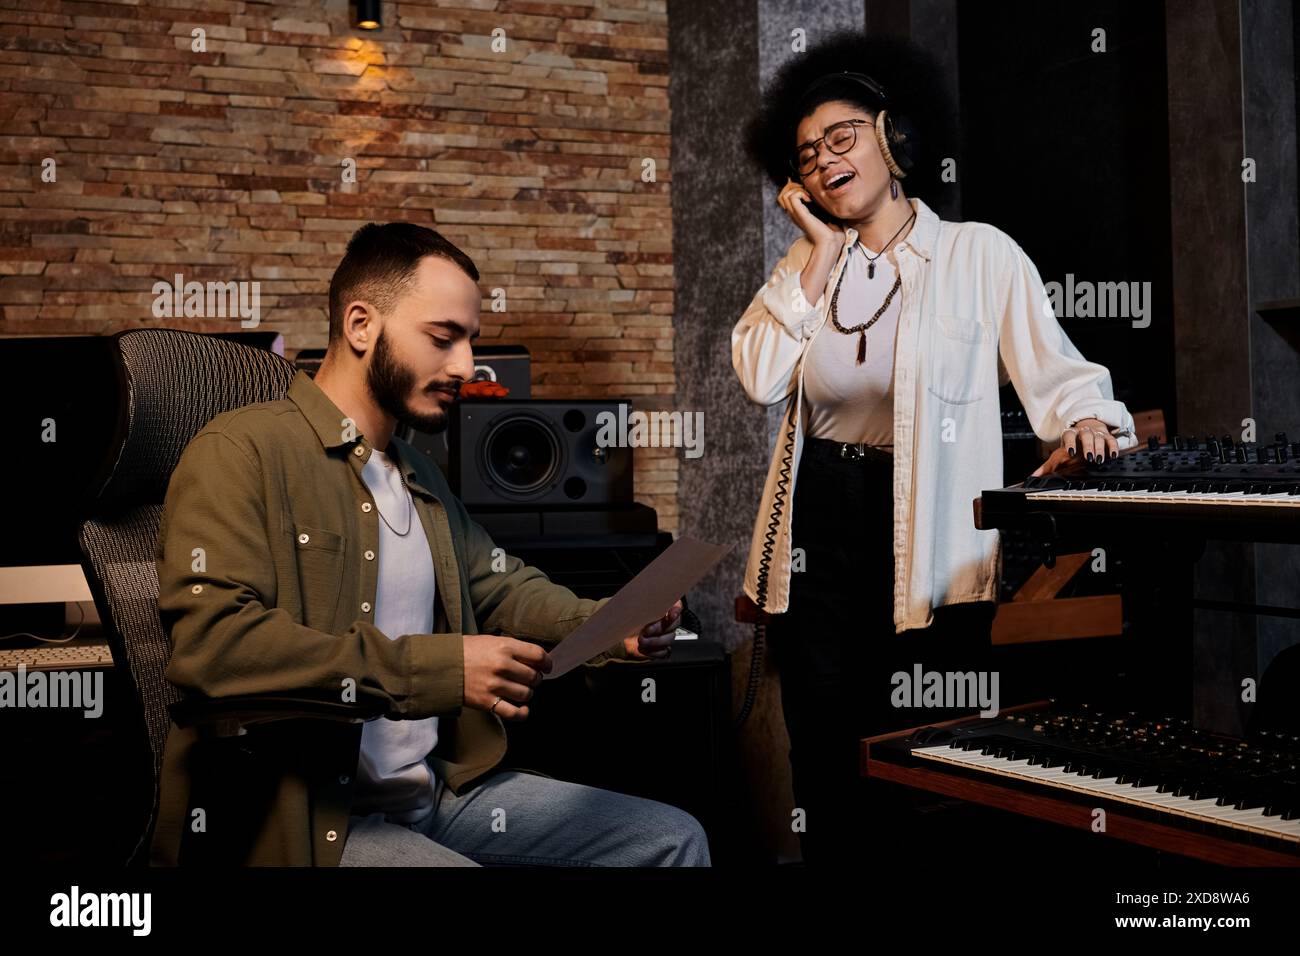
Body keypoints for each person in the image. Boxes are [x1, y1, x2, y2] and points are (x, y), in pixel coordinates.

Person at [152, 221, 710, 867]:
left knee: (670, 839)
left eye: (470, 340)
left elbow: (498, 584)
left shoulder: (416, 473)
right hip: (314, 819)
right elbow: (215, 649)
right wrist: (440, 668)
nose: (467, 367)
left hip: (436, 797)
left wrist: (611, 625)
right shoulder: (241, 450)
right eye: (443, 338)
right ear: (362, 326)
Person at [733, 34, 1137, 865]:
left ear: (895, 139)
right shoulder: (804, 268)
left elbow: (1059, 371)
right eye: (806, 156)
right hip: (819, 527)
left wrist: (1089, 418)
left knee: (922, 750)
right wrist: (816, 251)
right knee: (823, 748)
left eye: (841, 138)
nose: (822, 162)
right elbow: (758, 375)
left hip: (928, 531)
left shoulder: (978, 254)